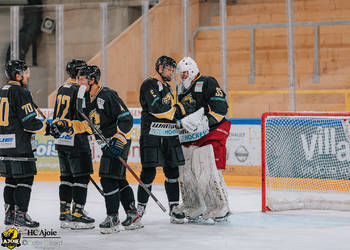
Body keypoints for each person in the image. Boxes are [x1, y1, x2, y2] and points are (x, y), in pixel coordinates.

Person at [57, 65, 142, 233]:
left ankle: (113, 218)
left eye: (82, 79)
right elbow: (87, 125)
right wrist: (67, 126)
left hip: (118, 141)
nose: (78, 82)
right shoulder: (85, 98)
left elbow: (126, 119)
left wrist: (119, 139)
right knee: (118, 178)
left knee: (107, 177)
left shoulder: (108, 95)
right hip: (105, 144)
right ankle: (133, 215)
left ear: (92, 80)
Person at [137, 55, 195, 224]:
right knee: (148, 172)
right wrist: (179, 110)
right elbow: (156, 108)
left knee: (172, 171)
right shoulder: (150, 84)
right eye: (168, 69)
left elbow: (170, 113)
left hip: (169, 135)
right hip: (152, 134)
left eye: (172, 69)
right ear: (160, 68)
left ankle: (174, 207)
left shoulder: (168, 87)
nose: (171, 72)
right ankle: (139, 208)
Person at [176, 56, 231, 222]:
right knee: (185, 169)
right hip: (191, 136)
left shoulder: (207, 82)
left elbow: (221, 108)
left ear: (192, 70)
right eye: (181, 74)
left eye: (185, 73)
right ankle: (193, 205)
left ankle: (219, 207)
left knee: (205, 168)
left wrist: (206, 122)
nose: (183, 77)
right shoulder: (181, 90)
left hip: (211, 133)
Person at [0, 59, 51, 228]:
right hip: (19, 145)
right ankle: (20, 215)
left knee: (11, 179)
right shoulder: (21, 92)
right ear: (18, 75)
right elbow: (29, 122)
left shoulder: (3, 91)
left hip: (3, 144)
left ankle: (10, 214)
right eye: (26, 72)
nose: (28, 75)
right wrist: (47, 128)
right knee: (25, 178)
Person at [51, 59, 95, 230]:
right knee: (81, 177)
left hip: (61, 140)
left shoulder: (62, 88)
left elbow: (57, 116)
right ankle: (77, 214)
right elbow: (83, 117)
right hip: (76, 139)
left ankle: (64, 212)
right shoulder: (81, 90)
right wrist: (90, 129)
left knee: (66, 178)